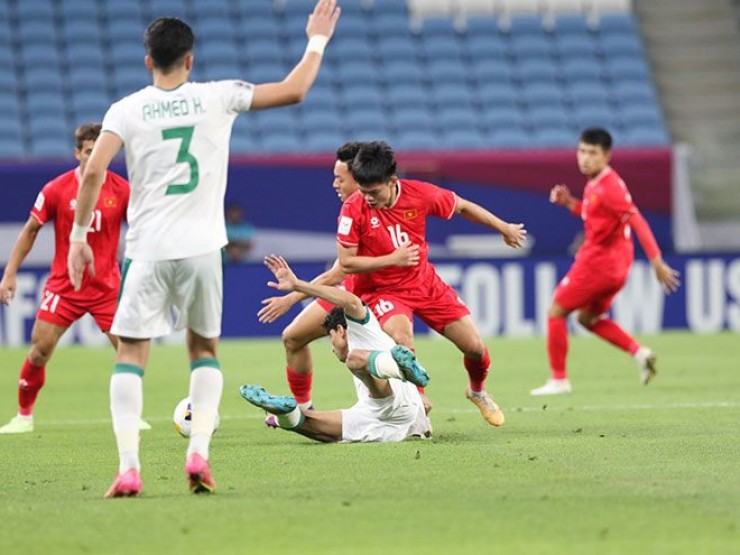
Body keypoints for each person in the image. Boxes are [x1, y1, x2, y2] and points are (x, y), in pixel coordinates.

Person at [66, 1, 341, 498]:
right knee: (204, 352)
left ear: (148, 60)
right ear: (190, 59)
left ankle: (129, 468)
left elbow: (92, 173)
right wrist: (316, 38)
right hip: (201, 250)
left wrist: (80, 236)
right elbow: (296, 89)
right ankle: (199, 456)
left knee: (130, 353)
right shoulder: (218, 96)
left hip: (147, 251)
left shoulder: (125, 110)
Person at [336, 141, 527, 426]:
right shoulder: (353, 209)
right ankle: (418, 397)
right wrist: (392, 259)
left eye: (374, 192)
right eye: (363, 192)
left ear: (392, 181)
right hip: (382, 291)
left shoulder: (420, 194)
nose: (368, 198)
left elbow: (462, 206)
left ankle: (477, 391)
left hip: (425, 284)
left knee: (475, 347)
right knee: (402, 338)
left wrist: (503, 227)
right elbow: (347, 263)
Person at [0, 123, 152, 434]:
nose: (93, 157)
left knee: (128, 351)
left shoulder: (122, 190)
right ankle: (24, 416)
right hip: (64, 286)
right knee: (40, 349)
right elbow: (31, 230)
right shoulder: (56, 189)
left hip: (107, 287)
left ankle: (130, 415)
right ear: (77, 153)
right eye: (87, 152)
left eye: (99, 151)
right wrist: (10, 273)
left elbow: (141, 231)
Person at [530, 127, 681, 396]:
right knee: (588, 318)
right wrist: (569, 203)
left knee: (556, 312)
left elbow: (638, 220)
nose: (584, 158)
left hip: (599, 264)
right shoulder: (596, 182)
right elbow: (594, 215)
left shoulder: (610, 187)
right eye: (581, 151)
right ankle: (640, 354)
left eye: (592, 153)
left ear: (607, 156)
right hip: (618, 266)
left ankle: (559, 379)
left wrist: (656, 260)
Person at [240, 255, 431, 443]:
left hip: (398, 400)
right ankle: (288, 413)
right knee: (314, 427)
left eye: (331, 339)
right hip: (380, 415)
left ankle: (401, 370)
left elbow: (351, 301)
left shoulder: (361, 328)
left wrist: (298, 285)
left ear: (340, 331)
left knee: (354, 360)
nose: (332, 348)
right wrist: (283, 419)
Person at [256, 142, 363, 414]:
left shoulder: (370, 206)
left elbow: (338, 271)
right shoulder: (350, 208)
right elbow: (340, 272)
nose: (334, 184)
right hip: (349, 291)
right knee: (293, 337)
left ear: (358, 177)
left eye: (340, 178)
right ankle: (305, 410)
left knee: (363, 353)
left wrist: (292, 297)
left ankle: (403, 407)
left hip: (377, 296)